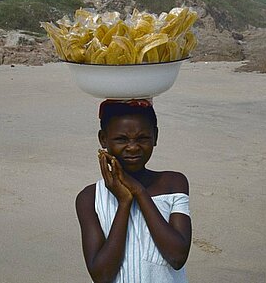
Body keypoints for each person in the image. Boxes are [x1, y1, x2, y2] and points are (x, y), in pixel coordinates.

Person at [75, 99, 192, 283]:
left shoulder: (173, 183)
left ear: (155, 136)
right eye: (121, 139)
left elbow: (177, 256)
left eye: (142, 138)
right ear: (103, 139)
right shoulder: (90, 198)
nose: (132, 147)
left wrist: (139, 192)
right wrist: (124, 202)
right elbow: (101, 276)